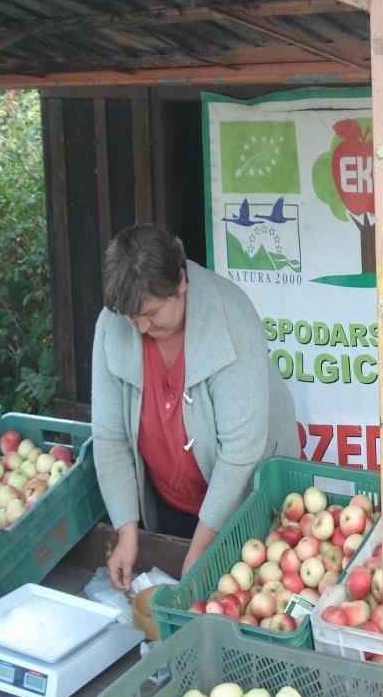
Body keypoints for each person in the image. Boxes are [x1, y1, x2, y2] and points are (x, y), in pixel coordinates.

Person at [91, 224, 299, 590]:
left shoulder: (230, 321)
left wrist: (202, 547)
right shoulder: (114, 324)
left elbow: (241, 452)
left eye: (151, 313)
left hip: (246, 502)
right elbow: (109, 437)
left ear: (181, 283)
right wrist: (126, 529)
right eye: (129, 316)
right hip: (172, 499)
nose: (139, 326)